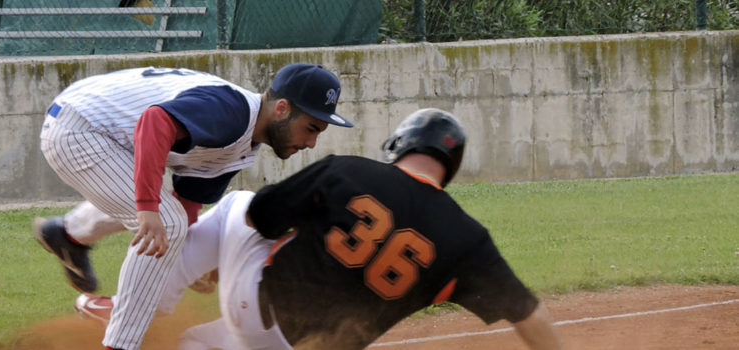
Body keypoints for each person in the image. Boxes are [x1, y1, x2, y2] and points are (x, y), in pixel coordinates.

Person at [76, 108, 564, 349]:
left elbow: (260, 219)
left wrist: (222, 268)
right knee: (195, 345)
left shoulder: (352, 172)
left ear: (401, 143)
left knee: (236, 205)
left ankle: (137, 307)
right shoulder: (468, 240)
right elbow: (531, 316)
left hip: (256, 304)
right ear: (450, 167)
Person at [32, 63, 353, 350]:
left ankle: (67, 235)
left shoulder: (244, 146)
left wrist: (192, 260)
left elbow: (187, 205)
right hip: (81, 128)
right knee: (164, 221)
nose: (312, 143)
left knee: (171, 221)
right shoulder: (233, 112)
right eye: (312, 128)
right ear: (282, 108)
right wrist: (146, 209)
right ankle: (120, 343)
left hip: (98, 128)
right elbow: (154, 122)